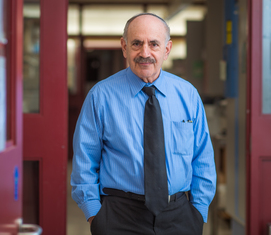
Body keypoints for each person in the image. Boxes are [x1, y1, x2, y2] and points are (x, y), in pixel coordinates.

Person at [71, 13, 216, 235]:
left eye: (153, 44)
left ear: (166, 49)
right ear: (124, 46)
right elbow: (85, 159)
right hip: (120, 216)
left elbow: (202, 157)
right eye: (137, 43)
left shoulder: (188, 95)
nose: (145, 53)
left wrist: (198, 211)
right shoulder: (101, 96)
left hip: (180, 216)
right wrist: (94, 214)